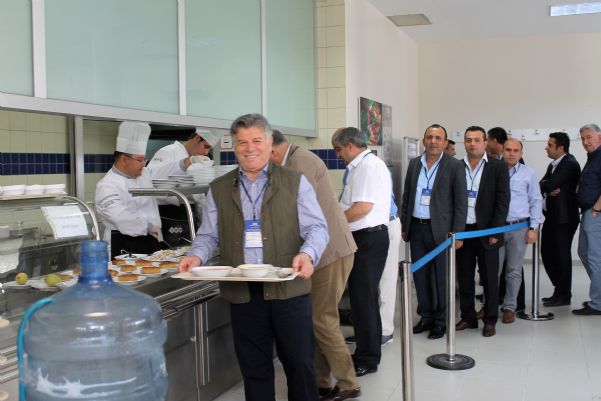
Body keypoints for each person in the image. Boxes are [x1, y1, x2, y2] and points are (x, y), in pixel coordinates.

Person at [179, 114, 329, 401]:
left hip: (288, 289)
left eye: (257, 141)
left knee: (300, 365)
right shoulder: (219, 188)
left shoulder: (295, 182)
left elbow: (317, 228)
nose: (250, 148)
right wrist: (195, 257)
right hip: (243, 294)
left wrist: (307, 254)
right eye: (242, 142)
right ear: (234, 146)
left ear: (270, 143)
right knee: (254, 370)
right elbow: (208, 235)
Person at [270, 130, 360, 401]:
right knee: (314, 319)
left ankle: (348, 383)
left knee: (322, 318)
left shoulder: (301, 162)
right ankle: (321, 382)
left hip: (331, 251)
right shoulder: (293, 159)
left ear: (273, 150)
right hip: (321, 252)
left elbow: (291, 209)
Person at [332, 127, 391, 377]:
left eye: (338, 149)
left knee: (363, 299)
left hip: (369, 238)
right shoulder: (360, 166)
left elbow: (362, 208)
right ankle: (368, 350)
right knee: (363, 298)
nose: (338, 155)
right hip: (363, 237)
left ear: (349, 145)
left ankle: (368, 359)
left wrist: (334, 223)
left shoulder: (368, 166)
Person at [400, 124, 467, 340]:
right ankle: (426, 316)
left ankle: (441, 321)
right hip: (417, 228)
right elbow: (407, 196)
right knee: (420, 276)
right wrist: (404, 225)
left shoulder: (454, 166)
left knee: (442, 278)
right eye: (429, 137)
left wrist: (457, 233)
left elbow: (461, 203)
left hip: (442, 231)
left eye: (438, 138)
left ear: (445, 142)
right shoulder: (414, 164)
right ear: (423, 141)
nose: (433, 141)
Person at [456, 126, 509, 337]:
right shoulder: (456, 166)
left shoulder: (498, 166)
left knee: (489, 278)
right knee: (464, 276)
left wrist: (495, 231)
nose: (472, 144)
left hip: (487, 231)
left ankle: (490, 320)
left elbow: (503, 202)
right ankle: (468, 317)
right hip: (464, 231)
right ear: (464, 143)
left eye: (477, 140)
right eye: (468, 140)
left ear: (485, 143)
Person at [95, 121, 164, 259]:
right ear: (124, 159)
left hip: (152, 241)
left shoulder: (144, 174)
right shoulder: (106, 185)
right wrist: (149, 227)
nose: (143, 164)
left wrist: (184, 163)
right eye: (140, 160)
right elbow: (120, 217)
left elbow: (165, 173)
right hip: (123, 245)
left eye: (145, 160)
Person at [147, 128, 220, 245]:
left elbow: (200, 197)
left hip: (189, 214)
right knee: (172, 252)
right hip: (169, 214)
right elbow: (151, 178)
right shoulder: (168, 152)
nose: (206, 153)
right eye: (206, 147)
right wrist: (184, 163)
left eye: (209, 149)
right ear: (197, 138)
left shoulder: (199, 161)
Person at [498, 139, 543, 323]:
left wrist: (533, 228)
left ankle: (510, 307)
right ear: (502, 151)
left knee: (514, 270)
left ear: (521, 153)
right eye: (508, 150)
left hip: (519, 227)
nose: (511, 153)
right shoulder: (493, 170)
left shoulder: (528, 173)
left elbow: (536, 201)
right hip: (496, 228)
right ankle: (490, 306)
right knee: (492, 270)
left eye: (516, 150)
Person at [540, 132, 581, 307]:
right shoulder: (553, 164)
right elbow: (542, 184)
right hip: (553, 217)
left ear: (561, 148)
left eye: (550, 145)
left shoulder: (570, 163)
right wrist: (547, 186)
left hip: (564, 219)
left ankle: (563, 295)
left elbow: (548, 184)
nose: (546, 148)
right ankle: (559, 289)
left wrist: (547, 185)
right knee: (547, 252)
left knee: (561, 255)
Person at [573, 124, 601, 316]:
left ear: (599, 137)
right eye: (582, 138)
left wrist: (597, 208)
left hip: (595, 213)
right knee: (584, 253)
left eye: (589, 137)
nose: (585, 141)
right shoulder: (593, 157)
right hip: (588, 212)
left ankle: (598, 303)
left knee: (594, 257)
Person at [379, 194, 401, 345]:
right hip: (370, 229)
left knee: (387, 280)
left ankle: (385, 331)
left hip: (386, 225)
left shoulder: (376, 177)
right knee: (371, 283)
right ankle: (370, 329)